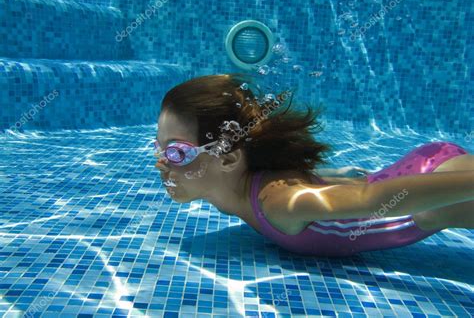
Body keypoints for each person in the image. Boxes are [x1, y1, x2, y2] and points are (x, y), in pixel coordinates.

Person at [154, 73, 474, 257]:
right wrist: (333, 175)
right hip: (422, 177)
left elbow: (372, 200)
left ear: (227, 159)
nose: (159, 163)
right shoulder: (230, 190)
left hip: (434, 192)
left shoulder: (277, 204)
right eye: (157, 147)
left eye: (175, 152)